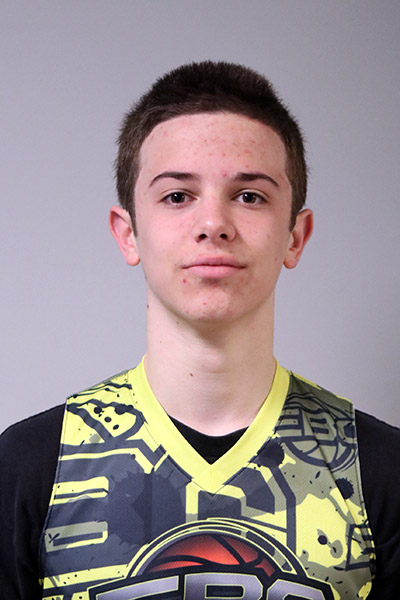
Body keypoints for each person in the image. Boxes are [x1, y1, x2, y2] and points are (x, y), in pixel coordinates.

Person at [0, 61, 399, 600]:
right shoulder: (32, 467)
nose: (213, 224)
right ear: (128, 233)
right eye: (177, 196)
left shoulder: (378, 471)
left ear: (295, 236)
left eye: (249, 195)